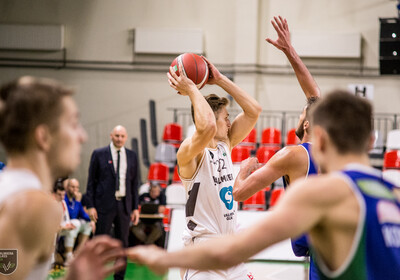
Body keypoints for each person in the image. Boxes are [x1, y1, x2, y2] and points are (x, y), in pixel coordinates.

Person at [127, 90, 400, 279]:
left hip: (219, 250)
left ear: (320, 139)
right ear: (371, 141)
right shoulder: (394, 196)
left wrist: (164, 259)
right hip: (205, 240)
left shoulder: (319, 194)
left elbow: (232, 250)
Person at [0, 76, 125, 279]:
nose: (82, 136)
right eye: (74, 124)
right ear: (44, 137)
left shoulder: (13, 190)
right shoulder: (33, 205)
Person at [233, 15, 320, 279]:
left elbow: (239, 193)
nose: (299, 114)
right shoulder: (334, 147)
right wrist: (290, 51)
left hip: (325, 254)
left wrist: (244, 168)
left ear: (306, 124)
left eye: (300, 113)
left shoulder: (293, 154)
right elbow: (314, 97)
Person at [167, 55, 262, 280]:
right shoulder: (189, 151)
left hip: (230, 248)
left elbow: (254, 110)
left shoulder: (224, 144)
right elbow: (207, 126)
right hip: (204, 251)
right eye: (225, 118)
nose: (229, 123)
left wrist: (219, 79)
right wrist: (192, 89)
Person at [86, 124, 140, 280]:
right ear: (111, 136)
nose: (119, 139)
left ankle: (119, 277)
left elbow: (134, 183)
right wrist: (90, 205)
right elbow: (91, 182)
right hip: (103, 205)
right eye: (117, 136)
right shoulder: (99, 154)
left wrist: (135, 208)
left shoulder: (132, 156)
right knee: (100, 242)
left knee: (123, 243)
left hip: (124, 205)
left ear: (126, 138)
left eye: (122, 136)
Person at [63, 178, 95, 262]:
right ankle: (68, 256)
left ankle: (78, 253)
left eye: (77, 187)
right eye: (72, 187)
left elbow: (83, 214)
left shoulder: (74, 199)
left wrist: (92, 220)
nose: (75, 190)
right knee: (76, 223)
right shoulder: (64, 197)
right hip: (64, 224)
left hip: (73, 224)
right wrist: (78, 201)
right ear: (67, 187)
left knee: (88, 224)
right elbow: (71, 215)